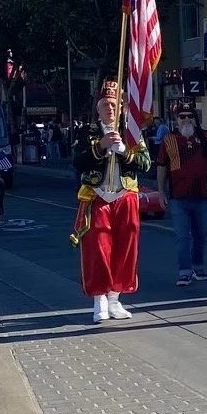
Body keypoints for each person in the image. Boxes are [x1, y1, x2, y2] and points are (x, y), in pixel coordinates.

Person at [73, 80, 151, 325]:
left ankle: (116, 297)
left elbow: (145, 163)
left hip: (124, 195)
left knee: (126, 249)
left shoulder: (132, 132)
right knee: (97, 249)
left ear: (122, 108)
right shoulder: (87, 132)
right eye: (105, 104)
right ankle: (99, 299)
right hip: (97, 196)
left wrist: (125, 152)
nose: (110, 108)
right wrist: (101, 147)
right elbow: (78, 162)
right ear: (98, 108)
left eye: (114, 104)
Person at [155, 101, 207, 287]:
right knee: (182, 236)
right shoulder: (169, 140)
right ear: (176, 120)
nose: (186, 120)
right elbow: (161, 167)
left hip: (201, 196)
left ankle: (198, 266)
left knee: (201, 235)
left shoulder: (206, 137)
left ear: (196, 119)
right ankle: (184, 271)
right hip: (178, 198)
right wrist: (161, 192)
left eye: (190, 116)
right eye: (182, 117)